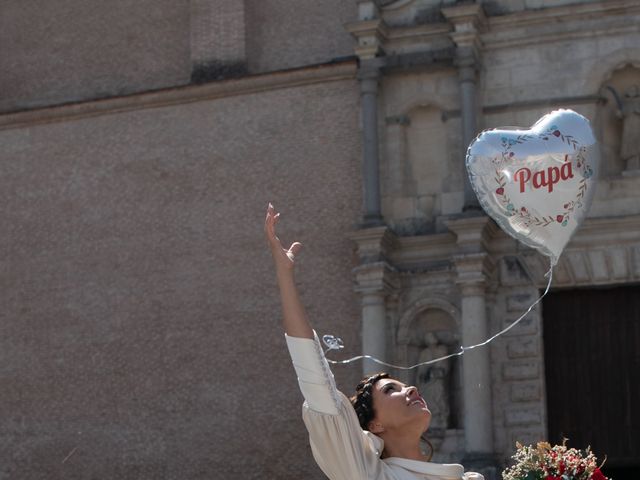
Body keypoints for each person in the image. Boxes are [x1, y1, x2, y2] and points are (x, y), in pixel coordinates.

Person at [265, 203, 483, 480]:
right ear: (375, 425)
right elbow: (315, 378)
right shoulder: (365, 473)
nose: (413, 388)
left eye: (401, 386)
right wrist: (285, 275)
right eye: (392, 389)